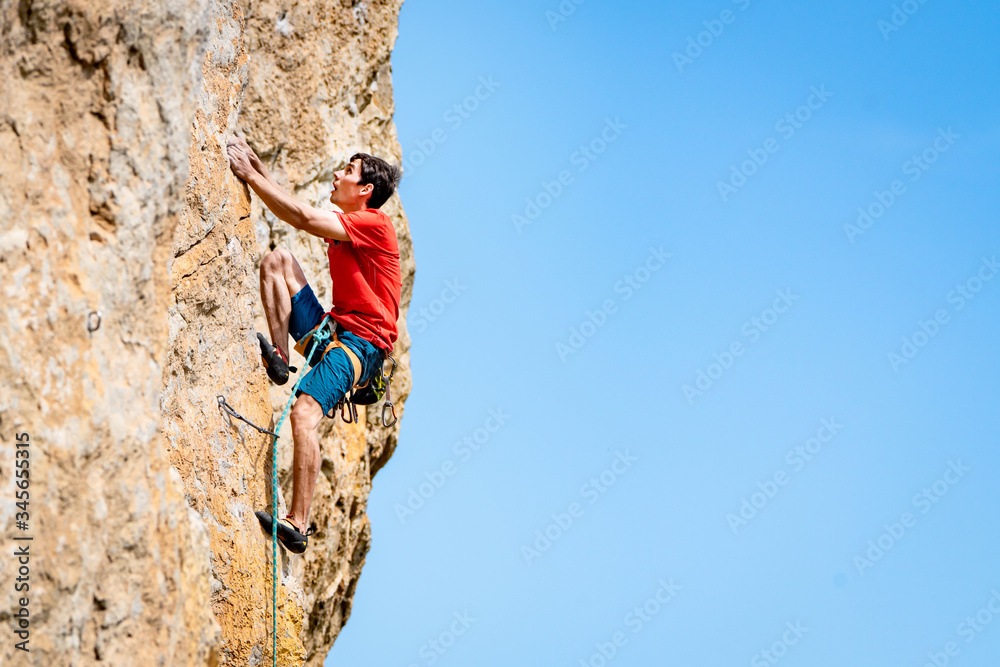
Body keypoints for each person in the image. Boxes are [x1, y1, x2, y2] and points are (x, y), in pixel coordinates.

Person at [226, 135, 402, 554]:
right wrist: (258, 171)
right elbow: (297, 215)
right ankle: (280, 359)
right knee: (278, 263)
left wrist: (251, 174)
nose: (337, 174)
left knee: (303, 414)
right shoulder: (352, 227)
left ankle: (299, 524)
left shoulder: (374, 225)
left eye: (348, 170)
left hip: (359, 347)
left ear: (365, 191)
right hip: (334, 333)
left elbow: (303, 216)